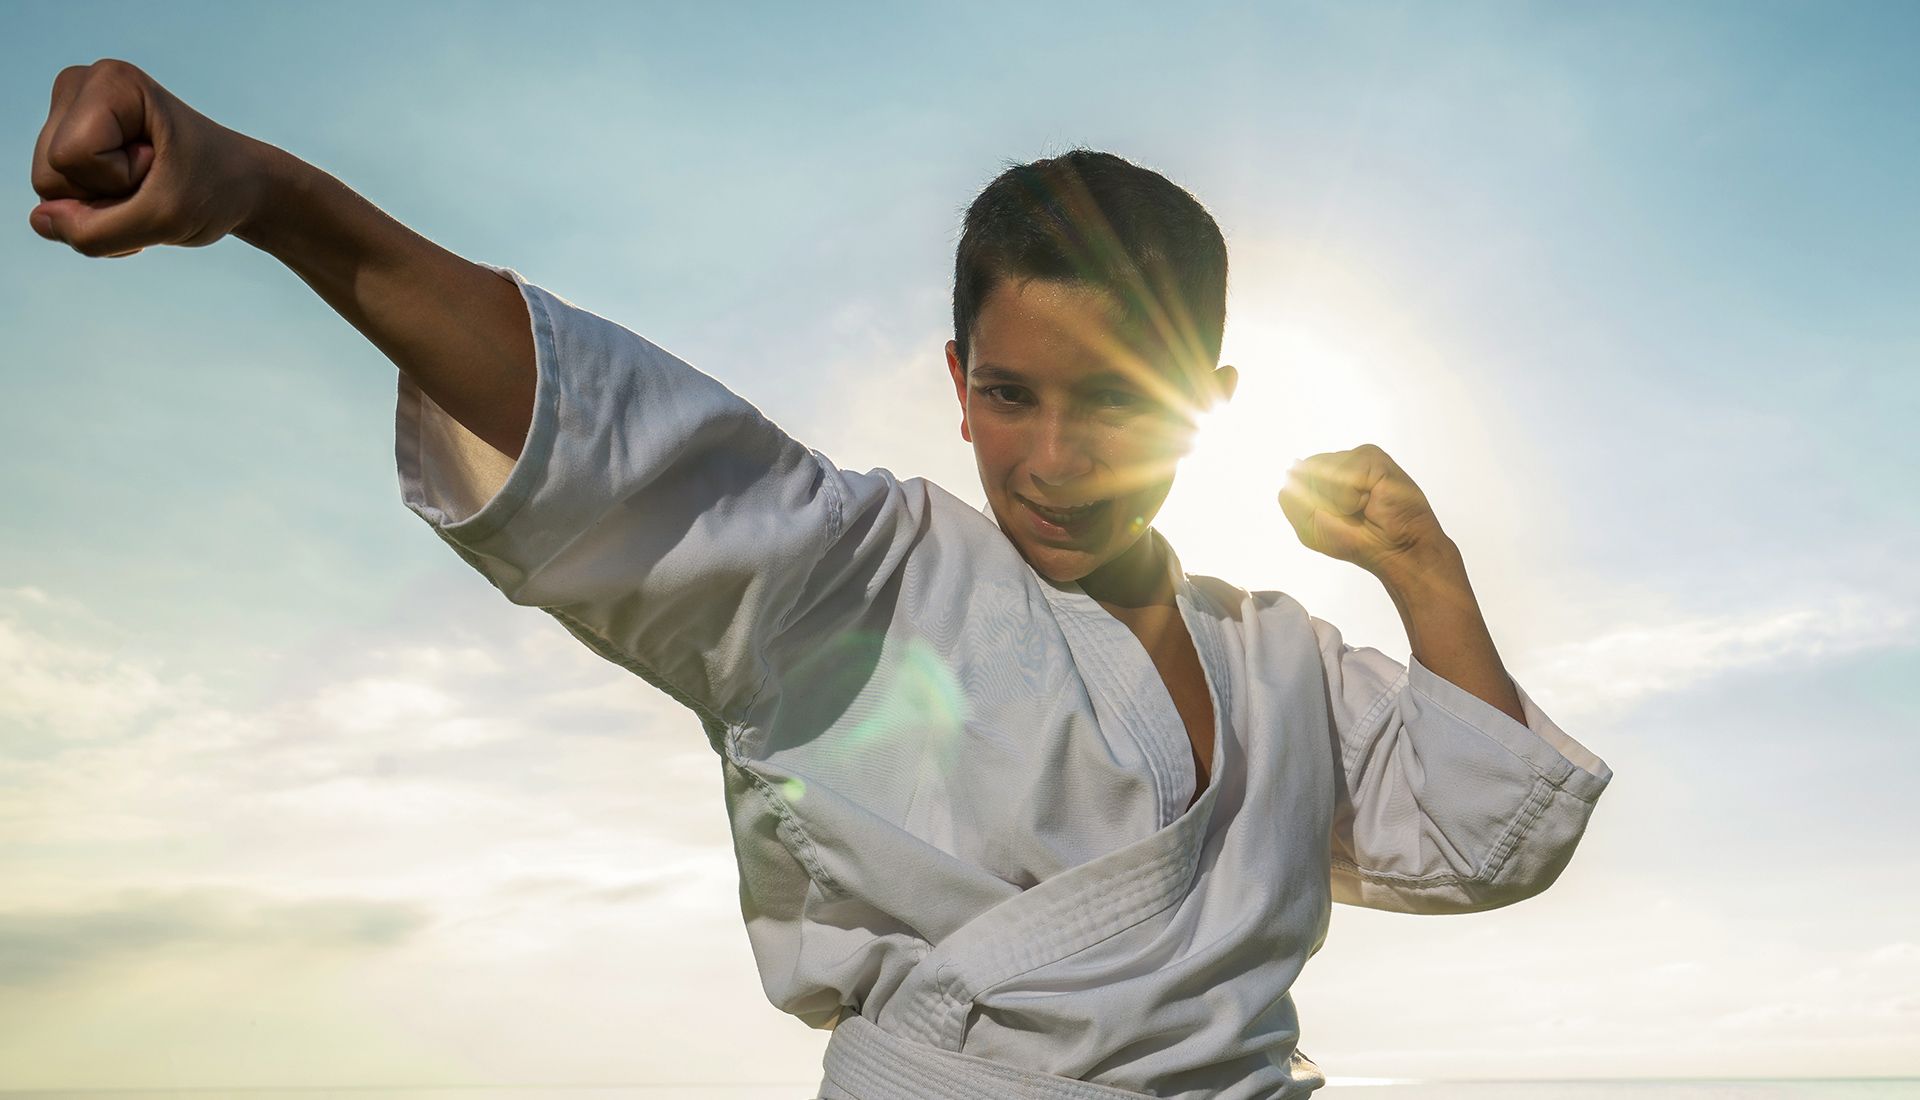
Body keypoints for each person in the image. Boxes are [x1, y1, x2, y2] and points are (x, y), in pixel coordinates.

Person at [29, 59, 1614, 1100]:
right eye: (1012, 396)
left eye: (1118, 403)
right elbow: (615, 438)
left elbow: (1484, 835)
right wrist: (269, 197)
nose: (1055, 459)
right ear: (956, 381)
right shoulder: (866, 575)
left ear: (1208, 396)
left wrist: (1424, 569)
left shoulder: (1282, 661)